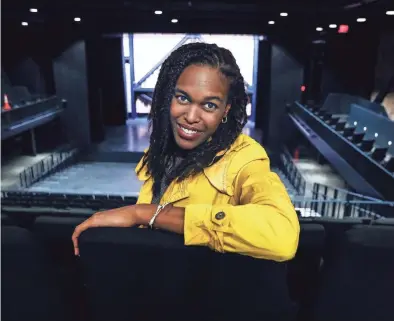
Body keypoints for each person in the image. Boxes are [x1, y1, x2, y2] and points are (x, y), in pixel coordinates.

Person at [72, 42, 300, 261]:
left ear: (225, 110)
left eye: (209, 105)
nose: (191, 117)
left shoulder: (244, 157)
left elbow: (282, 234)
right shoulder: (161, 152)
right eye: (182, 98)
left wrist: (143, 213)